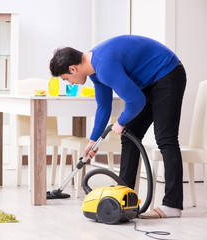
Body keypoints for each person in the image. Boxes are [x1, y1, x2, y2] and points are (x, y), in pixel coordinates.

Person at [49, 35, 186, 218]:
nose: (70, 83)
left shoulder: (103, 65)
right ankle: (124, 198)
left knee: (165, 139)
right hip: (150, 83)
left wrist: (120, 122)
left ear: (73, 68)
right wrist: (93, 141)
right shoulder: (95, 71)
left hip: (167, 74)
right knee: (130, 136)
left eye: (67, 78)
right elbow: (104, 106)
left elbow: (135, 101)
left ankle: (172, 206)